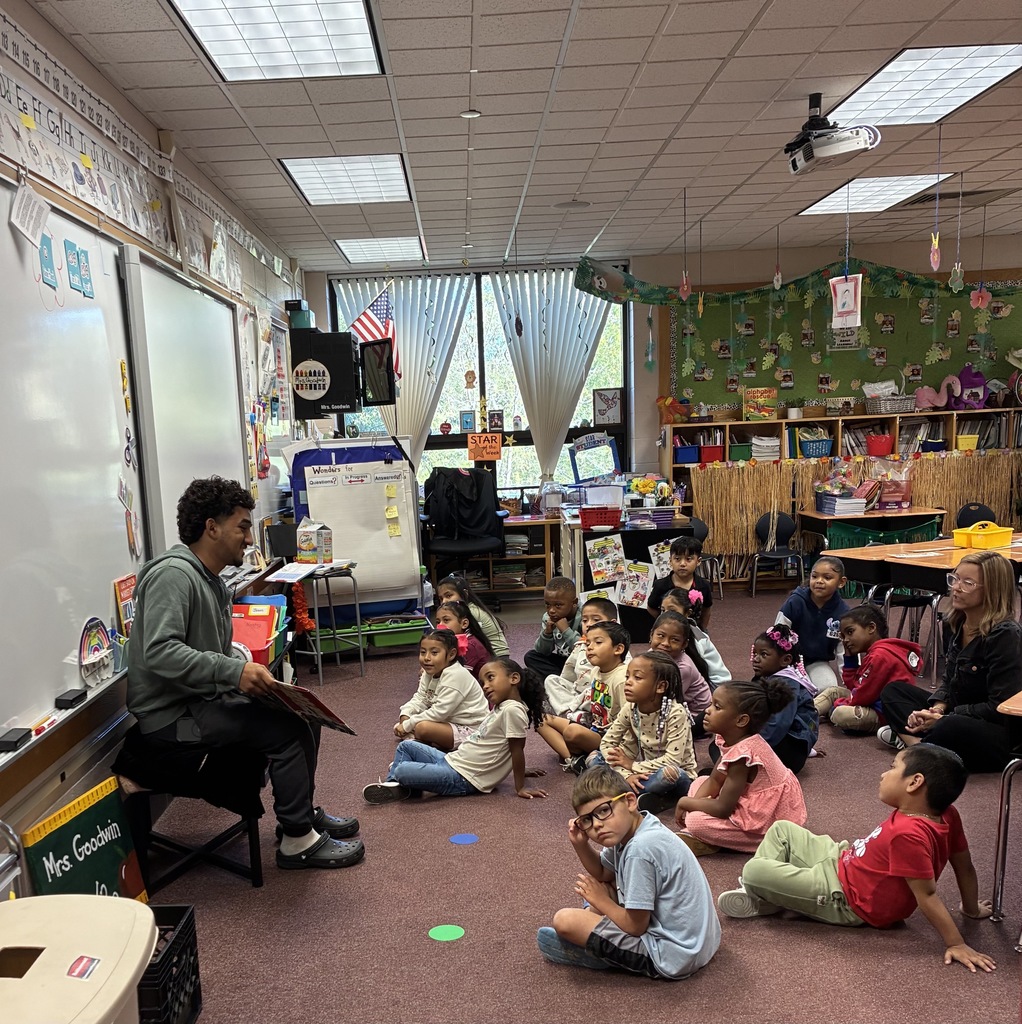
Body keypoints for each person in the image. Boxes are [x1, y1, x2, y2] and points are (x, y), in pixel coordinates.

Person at [126, 476, 363, 870]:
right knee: (286, 732)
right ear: (211, 527)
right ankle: (297, 842)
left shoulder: (209, 579)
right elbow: (159, 653)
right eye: (242, 526)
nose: (249, 538)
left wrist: (244, 677)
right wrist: (234, 672)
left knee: (303, 713)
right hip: (173, 719)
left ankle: (298, 818)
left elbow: (205, 654)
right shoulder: (174, 576)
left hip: (201, 701)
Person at [716, 745, 997, 973]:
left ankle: (761, 892)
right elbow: (965, 865)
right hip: (846, 859)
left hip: (846, 898)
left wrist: (956, 943)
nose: (883, 775)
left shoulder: (909, 834)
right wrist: (970, 909)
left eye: (892, 768)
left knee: (754, 870)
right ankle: (766, 897)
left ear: (914, 782)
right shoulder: (947, 813)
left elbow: (927, 895)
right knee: (782, 830)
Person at [536, 766, 720, 979]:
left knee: (565, 921)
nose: (597, 825)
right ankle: (593, 931)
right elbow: (604, 873)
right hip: (699, 942)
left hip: (673, 955)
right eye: (587, 820)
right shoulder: (640, 825)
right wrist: (580, 845)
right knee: (605, 888)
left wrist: (602, 902)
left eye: (604, 811)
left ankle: (596, 954)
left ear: (630, 801)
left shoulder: (639, 850)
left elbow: (635, 926)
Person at [879, 550, 1022, 772]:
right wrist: (937, 708)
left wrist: (946, 717)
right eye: (954, 579)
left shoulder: (1005, 635)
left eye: (968, 583)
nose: (955, 587)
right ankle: (922, 750)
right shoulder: (953, 623)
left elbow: (999, 707)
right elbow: (949, 681)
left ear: (992, 590)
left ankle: (922, 748)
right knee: (894, 691)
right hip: (956, 712)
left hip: (995, 728)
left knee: (950, 726)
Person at [363, 658, 548, 802]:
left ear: (514, 678)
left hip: (463, 778)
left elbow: (516, 749)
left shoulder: (513, 710)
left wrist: (520, 786)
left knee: (402, 769)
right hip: (453, 760)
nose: (485, 686)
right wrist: (518, 769)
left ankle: (398, 784)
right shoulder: (503, 707)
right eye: (483, 682)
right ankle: (395, 787)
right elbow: (504, 749)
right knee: (406, 747)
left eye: (490, 678)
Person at [675, 678, 807, 856]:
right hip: (750, 802)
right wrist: (694, 806)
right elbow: (714, 780)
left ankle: (767, 843)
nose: (707, 710)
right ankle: (707, 837)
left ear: (741, 720)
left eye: (717, 707)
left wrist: (686, 803)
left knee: (696, 822)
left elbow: (723, 808)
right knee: (700, 781)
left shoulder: (743, 755)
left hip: (772, 822)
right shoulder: (732, 738)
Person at [595, 650, 698, 815]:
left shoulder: (675, 713)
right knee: (594, 758)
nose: (628, 682)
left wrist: (632, 765)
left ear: (660, 686)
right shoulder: (630, 708)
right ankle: (640, 793)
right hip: (641, 774)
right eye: (627, 676)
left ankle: (623, 790)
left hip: (674, 775)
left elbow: (673, 760)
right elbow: (607, 743)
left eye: (637, 678)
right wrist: (627, 773)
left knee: (669, 774)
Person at [538, 621, 630, 773]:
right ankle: (574, 761)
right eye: (588, 644)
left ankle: (581, 755)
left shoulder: (621, 678)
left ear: (618, 649)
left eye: (598, 642)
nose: (590, 647)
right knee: (540, 720)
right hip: (594, 726)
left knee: (571, 733)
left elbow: (630, 718)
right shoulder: (596, 671)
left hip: (612, 738)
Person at [816, 604, 922, 734]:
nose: (846, 640)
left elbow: (862, 696)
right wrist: (850, 658)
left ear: (871, 628)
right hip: (872, 701)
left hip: (885, 713)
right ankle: (806, 712)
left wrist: (838, 704)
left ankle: (889, 729)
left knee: (840, 714)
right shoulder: (876, 652)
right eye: (843, 636)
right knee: (833, 691)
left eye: (850, 632)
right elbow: (854, 686)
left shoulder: (879, 656)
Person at [393, 628, 489, 751]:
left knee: (422, 728)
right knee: (402, 725)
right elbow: (421, 698)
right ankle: (425, 745)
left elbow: (439, 712)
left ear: (451, 654)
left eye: (434, 653)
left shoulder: (456, 675)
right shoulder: (429, 672)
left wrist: (408, 725)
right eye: (423, 652)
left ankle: (423, 749)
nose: (427, 658)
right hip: (448, 722)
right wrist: (406, 715)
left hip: (471, 729)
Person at [744, 624, 819, 774]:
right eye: (755, 653)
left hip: (790, 752)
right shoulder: (765, 677)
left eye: (764, 655)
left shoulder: (786, 685)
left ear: (785, 660)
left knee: (725, 750)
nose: (756, 659)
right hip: (782, 742)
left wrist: (750, 748)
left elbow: (778, 724)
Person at [774, 555, 849, 693]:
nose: (819, 581)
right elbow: (777, 636)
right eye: (815, 577)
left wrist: (850, 684)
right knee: (798, 688)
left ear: (841, 582)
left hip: (818, 661)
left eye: (827, 578)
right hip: (790, 661)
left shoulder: (843, 612)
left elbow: (843, 650)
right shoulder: (795, 602)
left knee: (827, 688)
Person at [544, 596, 618, 717]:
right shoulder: (579, 646)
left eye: (595, 620)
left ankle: (574, 713)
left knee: (596, 693)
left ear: (612, 623)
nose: (589, 624)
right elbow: (567, 676)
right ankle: (571, 713)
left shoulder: (617, 646)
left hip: (600, 693)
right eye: (584, 620)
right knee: (551, 680)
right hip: (578, 693)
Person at [660, 588, 730, 687]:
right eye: (663, 610)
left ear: (688, 613)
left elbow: (692, 669)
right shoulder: (667, 630)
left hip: (716, 685)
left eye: (672, 610)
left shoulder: (698, 637)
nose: (666, 615)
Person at [647, 611, 712, 715]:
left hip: (696, 714)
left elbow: (668, 700)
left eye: (675, 640)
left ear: (684, 644)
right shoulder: (651, 653)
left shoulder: (683, 668)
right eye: (660, 635)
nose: (665, 643)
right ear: (651, 635)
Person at [646, 537, 713, 629]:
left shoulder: (703, 585)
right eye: (677, 559)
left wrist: (702, 629)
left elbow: (706, 609)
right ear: (670, 561)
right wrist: (663, 620)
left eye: (688, 559)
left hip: (693, 629)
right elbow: (651, 607)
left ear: (698, 561)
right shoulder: (661, 585)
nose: (682, 564)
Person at [436, 574, 510, 657]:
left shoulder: (471, 612)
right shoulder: (463, 610)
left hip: (497, 657)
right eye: (441, 598)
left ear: (465, 593)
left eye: (449, 596)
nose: (444, 602)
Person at [525, 576, 582, 679]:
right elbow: (543, 652)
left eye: (558, 605)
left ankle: (558, 679)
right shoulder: (548, 617)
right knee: (530, 656)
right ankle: (561, 679)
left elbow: (585, 649)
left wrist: (566, 631)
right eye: (547, 604)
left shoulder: (584, 615)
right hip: (564, 661)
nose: (551, 610)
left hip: (581, 661)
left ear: (574, 603)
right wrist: (547, 634)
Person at [433, 599, 493, 680]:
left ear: (464, 624)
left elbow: (461, 678)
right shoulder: (452, 641)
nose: (440, 625)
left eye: (446, 620)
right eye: (437, 622)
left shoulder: (469, 645)